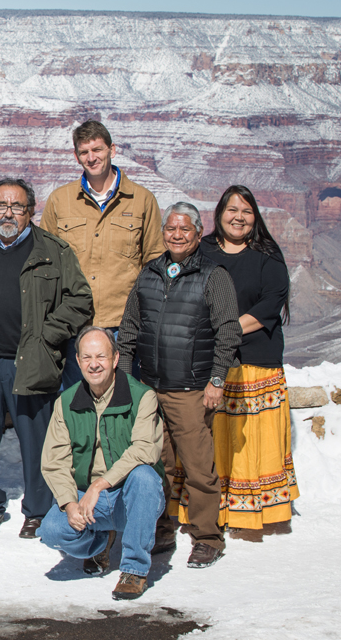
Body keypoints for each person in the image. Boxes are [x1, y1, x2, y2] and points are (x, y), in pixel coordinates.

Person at [117, 202, 242, 568]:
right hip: (151, 388)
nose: (176, 234)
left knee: (199, 468)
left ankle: (207, 537)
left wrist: (216, 379)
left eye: (185, 229)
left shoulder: (213, 274)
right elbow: (129, 329)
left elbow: (228, 332)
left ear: (198, 232)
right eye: (171, 228)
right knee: (158, 466)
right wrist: (126, 379)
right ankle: (161, 530)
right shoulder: (150, 273)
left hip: (191, 389)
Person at [0, 178, 93, 538]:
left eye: (17, 206)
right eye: (1, 206)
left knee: (38, 440)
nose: (9, 213)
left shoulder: (54, 250)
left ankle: (37, 511)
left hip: (33, 360)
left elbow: (81, 300)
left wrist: (48, 334)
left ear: (31, 210)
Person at [196, 185, 299, 533]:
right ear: (219, 213)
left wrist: (226, 330)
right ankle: (212, 508)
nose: (238, 217)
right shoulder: (203, 250)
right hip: (210, 360)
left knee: (252, 442)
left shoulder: (267, 255)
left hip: (256, 360)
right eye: (232, 210)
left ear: (255, 217)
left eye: (246, 211)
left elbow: (270, 306)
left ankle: (254, 513)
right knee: (214, 436)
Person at [38, 327, 166, 601]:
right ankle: (99, 543)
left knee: (144, 476)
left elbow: (145, 449)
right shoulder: (65, 402)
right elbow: (54, 461)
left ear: (116, 358)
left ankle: (134, 569)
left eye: (101, 356)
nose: (94, 364)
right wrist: (70, 504)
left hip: (127, 495)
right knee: (50, 531)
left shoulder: (143, 397)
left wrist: (100, 484)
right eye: (87, 357)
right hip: (88, 499)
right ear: (79, 361)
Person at [40, 120, 165, 388]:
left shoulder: (142, 200)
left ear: (112, 149)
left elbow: (155, 263)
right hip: (74, 322)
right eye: (84, 152)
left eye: (97, 149)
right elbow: (45, 262)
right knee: (77, 401)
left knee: (124, 399)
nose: (91, 157)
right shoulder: (60, 201)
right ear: (76, 156)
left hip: (124, 323)